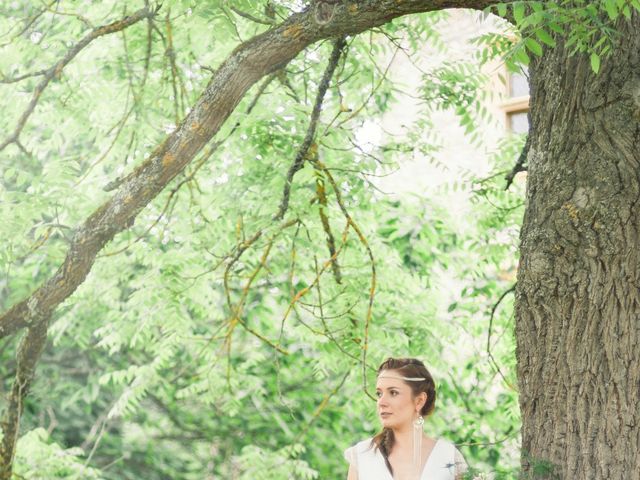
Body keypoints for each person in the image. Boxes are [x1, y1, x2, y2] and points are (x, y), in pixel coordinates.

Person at [344, 357, 469, 480]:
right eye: (379, 394)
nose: (381, 402)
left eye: (393, 392)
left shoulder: (448, 457)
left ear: (419, 401)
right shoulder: (362, 456)